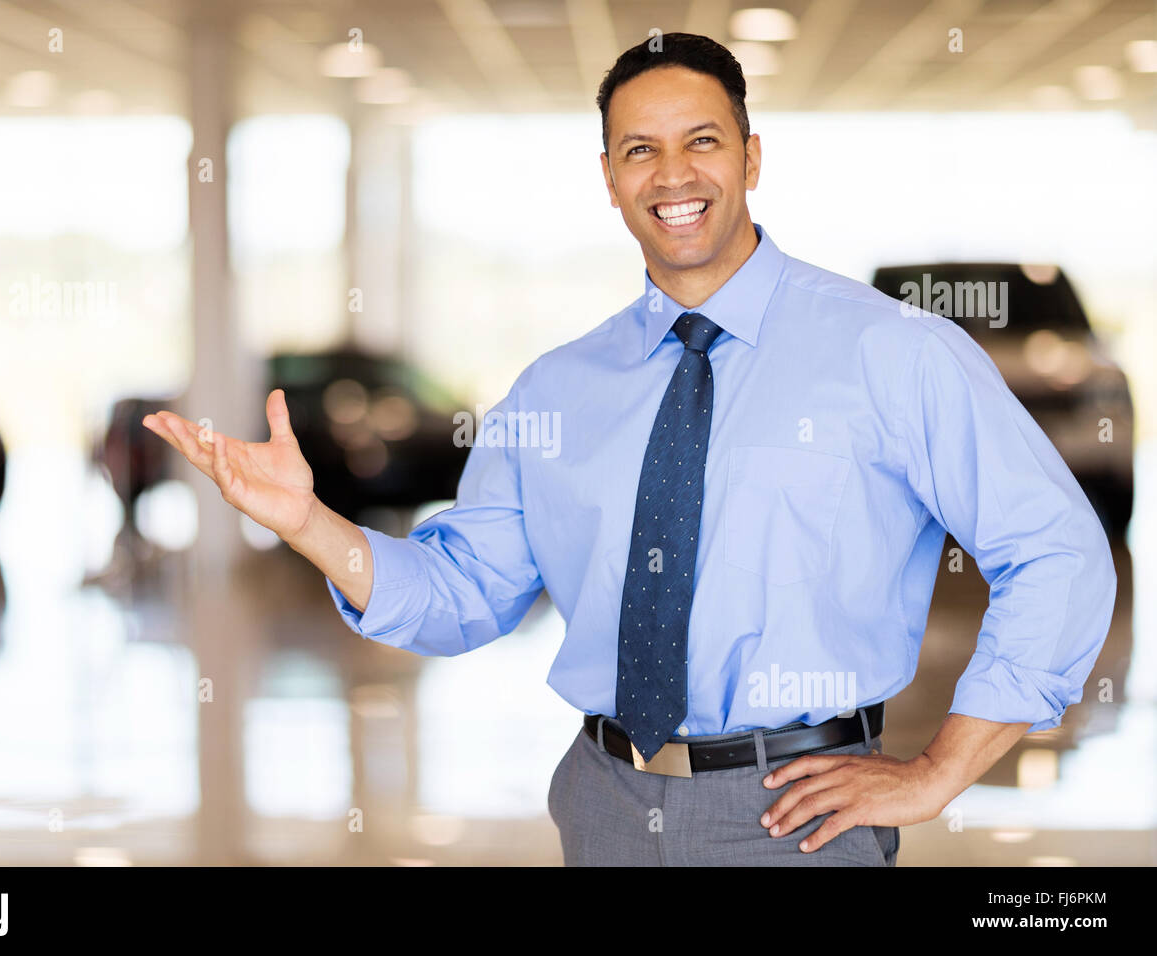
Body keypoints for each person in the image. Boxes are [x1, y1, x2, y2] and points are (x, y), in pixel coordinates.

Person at [144, 33, 1116, 866]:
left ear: (750, 156)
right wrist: (310, 524)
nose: (674, 174)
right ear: (608, 175)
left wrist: (940, 769)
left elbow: (1057, 552)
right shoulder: (557, 388)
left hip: (794, 817)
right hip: (601, 802)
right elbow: (465, 592)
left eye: (702, 140)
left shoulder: (890, 352)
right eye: (639, 148)